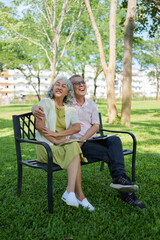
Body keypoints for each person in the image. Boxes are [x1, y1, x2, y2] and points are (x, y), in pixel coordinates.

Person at [32, 75, 145, 210]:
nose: (81, 85)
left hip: (89, 140)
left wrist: (80, 138)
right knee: (109, 153)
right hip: (74, 144)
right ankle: (125, 190)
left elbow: (94, 126)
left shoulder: (90, 104)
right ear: (71, 90)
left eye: (82, 82)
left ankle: (121, 180)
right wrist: (34, 108)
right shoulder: (67, 103)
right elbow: (45, 111)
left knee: (115, 140)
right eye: (76, 83)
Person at [34, 76, 95, 211]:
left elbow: (77, 127)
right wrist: (55, 140)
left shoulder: (70, 109)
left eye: (64, 86)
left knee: (74, 146)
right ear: (53, 88)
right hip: (47, 148)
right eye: (57, 84)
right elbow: (40, 126)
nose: (60, 87)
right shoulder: (45, 102)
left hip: (63, 146)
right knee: (75, 151)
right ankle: (78, 196)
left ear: (68, 92)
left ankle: (71, 192)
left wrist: (57, 134)